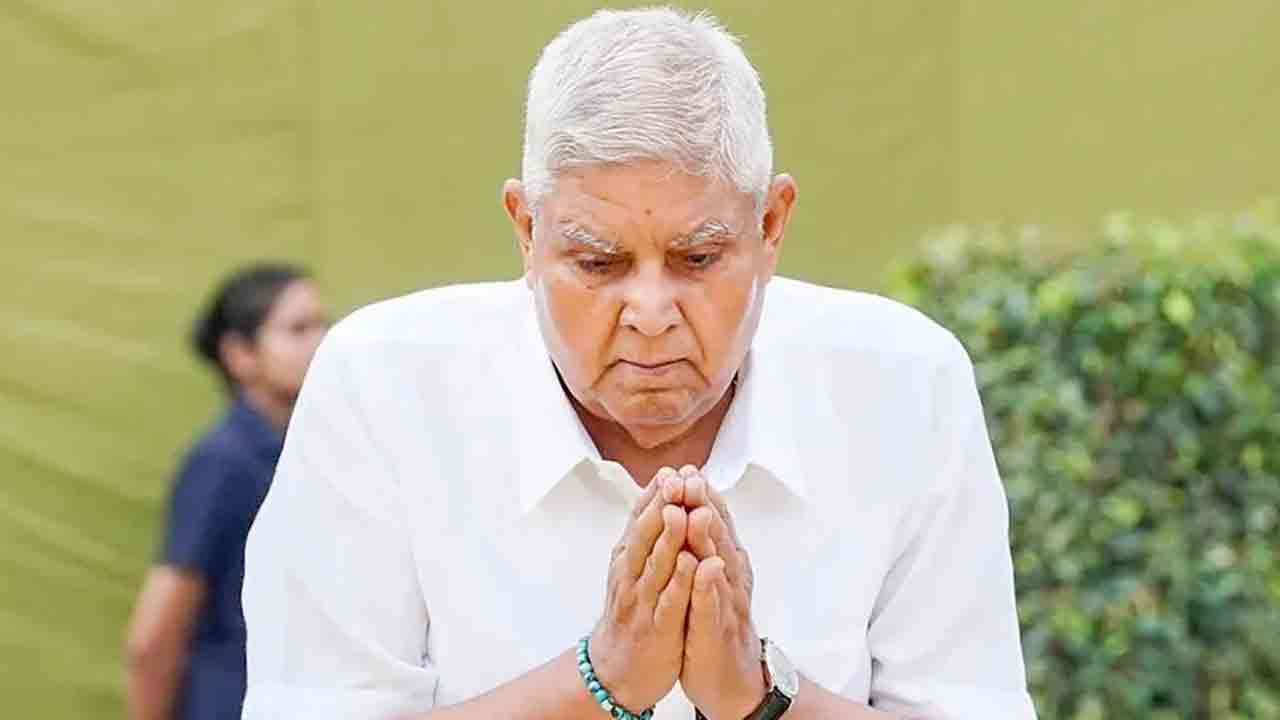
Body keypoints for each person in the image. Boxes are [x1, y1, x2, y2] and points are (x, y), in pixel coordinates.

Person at [242, 8, 1036, 720]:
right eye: (598, 262)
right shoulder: (384, 389)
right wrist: (599, 681)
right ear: (527, 232)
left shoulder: (902, 387)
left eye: (698, 258)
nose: (650, 314)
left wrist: (760, 700)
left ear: (771, 226)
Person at [124, 263, 329, 720]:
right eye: (298, 329)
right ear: (240, 354)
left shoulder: (312, 455)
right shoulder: (223, 463)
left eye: (322, 324)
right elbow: (154, 639)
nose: (320, 342)